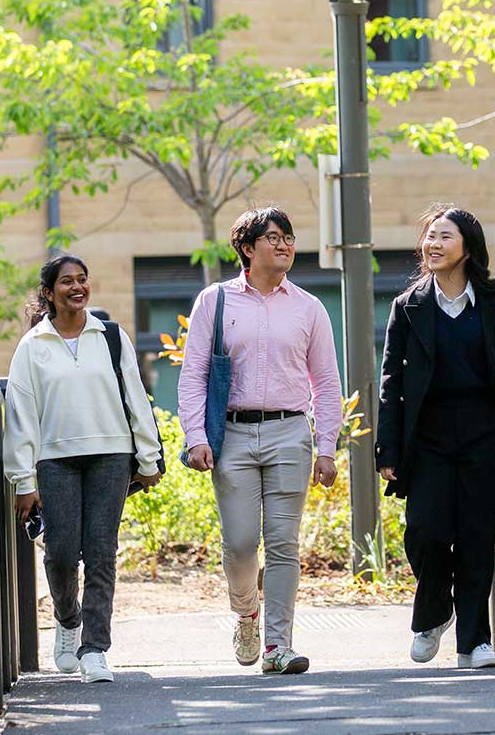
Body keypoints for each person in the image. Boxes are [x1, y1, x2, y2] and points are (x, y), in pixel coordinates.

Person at [178, 206, 342, 675]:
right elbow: (195, 375)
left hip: (290, 431)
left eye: (289, 236)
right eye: (273, 237)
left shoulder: (309, 307)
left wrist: (326, 446)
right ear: (248, 249)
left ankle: (277, 645)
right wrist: (195, 436)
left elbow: (326, 383)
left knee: (284, 543)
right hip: (231, 434)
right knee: (241, 543)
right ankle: (247, 614)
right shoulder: (216, 301)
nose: (285, 244)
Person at [376, 205, 495, 669]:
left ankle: (474, 643)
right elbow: (390, 380)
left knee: (475, 538)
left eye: (444, 237)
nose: (433, 244)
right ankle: (434, 612)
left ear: (468, 246)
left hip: (484, 436)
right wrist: (388, 447)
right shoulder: (406, 307)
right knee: (425, 533)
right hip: (426, 439)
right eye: (429, 236)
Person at [3, 255, 165, 684]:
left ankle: (95, 650)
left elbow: (135, 397)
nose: (77, 287)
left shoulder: (110, 336)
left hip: (110, 457)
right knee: (58, 555)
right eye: (67, 282)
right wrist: (23, 480)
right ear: (50, 293)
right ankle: (67, 619)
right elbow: (20, 416)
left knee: (100, 554)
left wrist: (148, 458)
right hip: (55, 460)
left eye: (82, 279)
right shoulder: (32, 346)